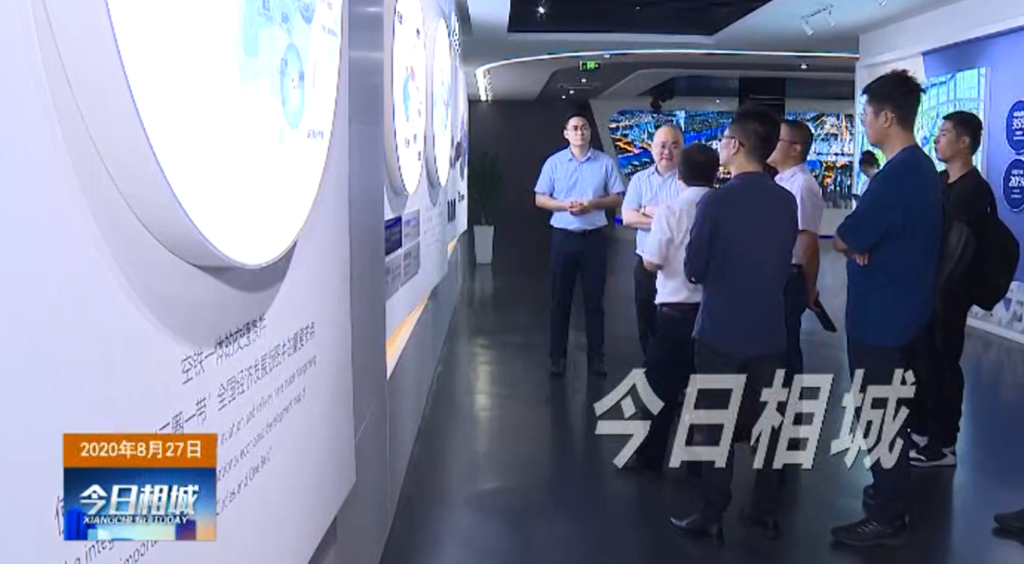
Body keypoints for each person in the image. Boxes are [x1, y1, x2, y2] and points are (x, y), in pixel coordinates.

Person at [669, 105, 797, 544]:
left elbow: (695, 268)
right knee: (768, 423)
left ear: (736, 145)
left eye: (724, 139)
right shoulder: (785, 200)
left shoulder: (716, 201)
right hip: (770, 330)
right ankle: (765, 510)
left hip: (720, 329)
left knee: (715, 424)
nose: (721, 145)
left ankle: (712, 512)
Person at [831, 69, 943, 546]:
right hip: (907, 309)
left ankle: (890, 513)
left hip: (881, 316)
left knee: (879, 412)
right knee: (892, 408)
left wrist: (854, 244)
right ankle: (888, 492)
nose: (863, 122)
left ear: (887, 117)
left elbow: (846, 236)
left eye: (866, 114)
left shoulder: (896, 177)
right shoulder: (920, 170)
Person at [628, 143, 718, 474]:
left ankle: (650, 458)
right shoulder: (723, 208)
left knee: (660, 387)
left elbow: (651, 262)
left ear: (680, 174)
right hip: (713, 316)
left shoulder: (672, 210)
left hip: (676, 313)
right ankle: (697, 459)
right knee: (704, 389)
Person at [910, 111, 993, 467]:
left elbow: (962, 248)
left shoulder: (974, 191)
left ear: (965, 142)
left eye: (944, 133)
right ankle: (922, 430)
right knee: (922, 361)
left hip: (949, 294)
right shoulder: (940, 182)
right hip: (926, 290)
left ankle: (943, 443)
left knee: (943, 364)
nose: (937, 139)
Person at [534, 112, 626, 378]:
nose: (580, 132)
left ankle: (597, 358)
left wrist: (592, 204)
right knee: (559, 300)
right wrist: (565, 206)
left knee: (594, 301)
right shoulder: (554, 163)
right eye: (574, 128)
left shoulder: (604, 162)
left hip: (594, 238)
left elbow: (617, 198)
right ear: (566, 133)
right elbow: (540, 198)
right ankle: (557, 358)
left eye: (584, 127)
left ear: (589, 132)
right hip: (563, 237)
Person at [768, 119, 826, 385]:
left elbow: (807, 241)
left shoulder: (802, 185)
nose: (770, 144)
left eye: (777, 139)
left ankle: (788, 404)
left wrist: (808, 287)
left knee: (786, 349)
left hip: (789, 277)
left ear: (796, 148)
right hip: (776, 275)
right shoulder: (781, 181)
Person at [621, 125, 684, 363]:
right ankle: (651, 364)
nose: (667, 151)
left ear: (682, 149)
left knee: (675, 322)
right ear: (652, 148)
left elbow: (685, 221)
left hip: (678, 266)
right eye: (662, 146)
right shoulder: (639, 180)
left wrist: (647, 211)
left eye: (674, 146)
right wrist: (666, 219)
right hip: (646, 263)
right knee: (646, 318)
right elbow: (628, 218)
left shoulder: (686, 181)